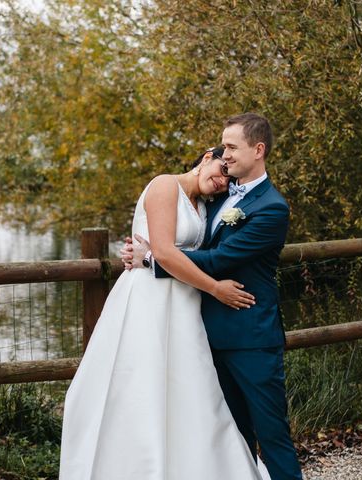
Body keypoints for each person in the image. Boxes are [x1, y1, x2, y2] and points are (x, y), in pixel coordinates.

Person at [59, 147, 270, 479]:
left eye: (229, 181)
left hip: (185, 307)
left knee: (191, 387)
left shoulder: (205, 205)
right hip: (149, 302)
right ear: (205, 157)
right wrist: (214, 288)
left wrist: (148, 256)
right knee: (142, 386)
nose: (222, 181)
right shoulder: (163, 185)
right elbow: (166, 254)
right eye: (221, 169)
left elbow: (194, 254)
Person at [124, 113, 303, 479]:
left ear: (259, 149)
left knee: (272, 436)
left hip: (251, 337)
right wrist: (143, 250)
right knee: (229, 439)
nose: (227, 154)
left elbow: (221, 259)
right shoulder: (216, 197)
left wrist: (153, 258)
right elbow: (180, 233)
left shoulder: (272, 208)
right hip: (202, 334)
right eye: (224, 147)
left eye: (233, 147)